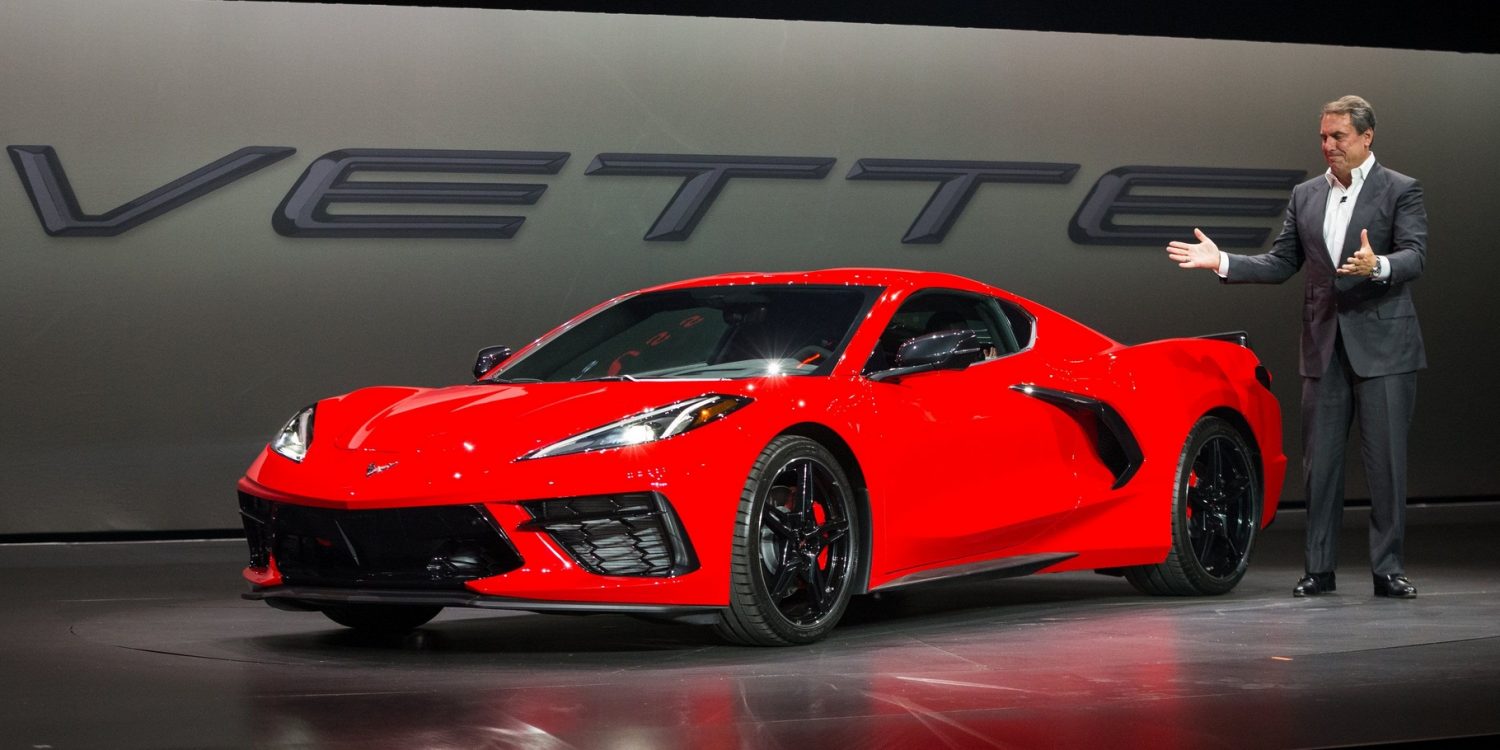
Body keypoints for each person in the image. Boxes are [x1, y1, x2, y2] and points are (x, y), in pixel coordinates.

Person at [1165, 95, 1426, 599]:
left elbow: (1415, 254)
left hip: (1385, 347)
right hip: (1323, 345)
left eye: (1339, 137)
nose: (1328, 146)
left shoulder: (1400, 190)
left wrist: (1381, 266)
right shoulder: (1306, 194)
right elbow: (1282, 262)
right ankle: (1319, 569)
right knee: (1320, 466)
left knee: (1386, 465)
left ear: (1367, 137)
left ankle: (1387, 568)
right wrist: (1223, 262)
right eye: (1323, 137)